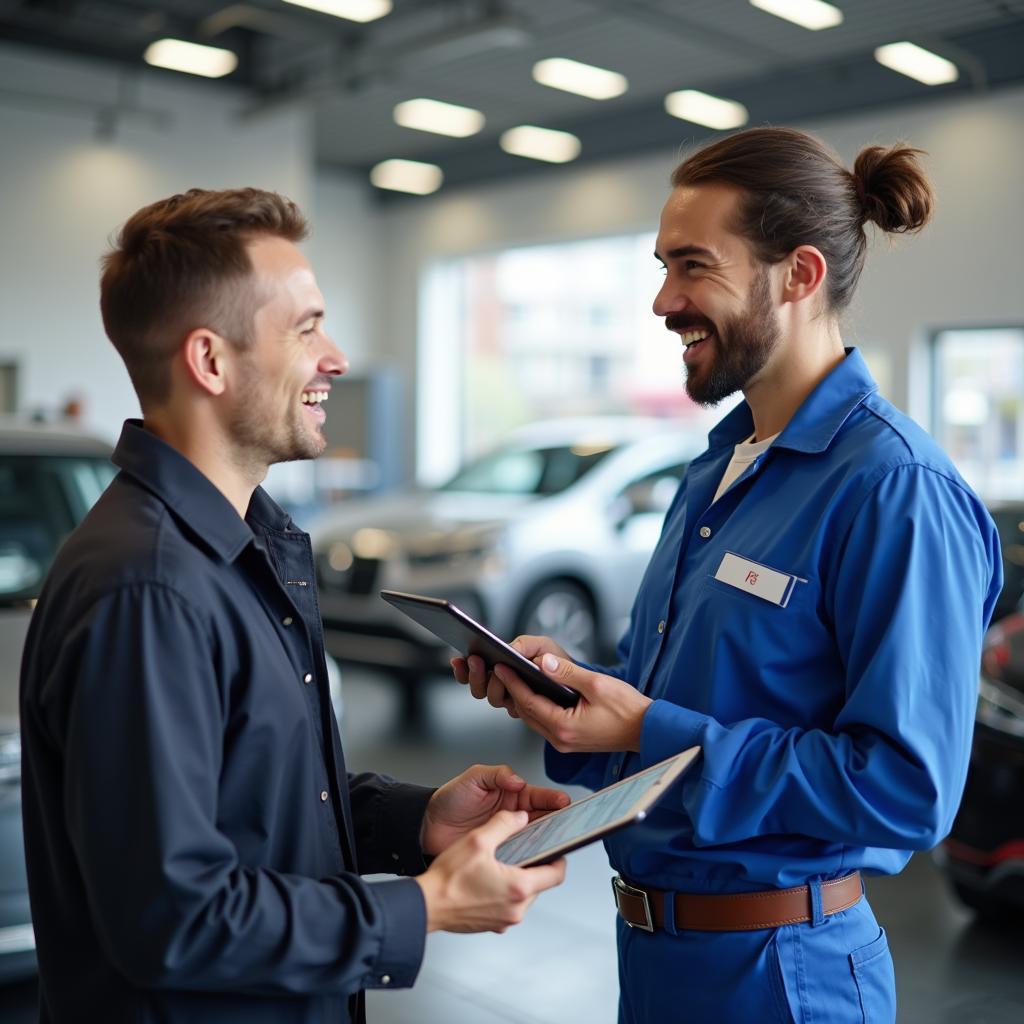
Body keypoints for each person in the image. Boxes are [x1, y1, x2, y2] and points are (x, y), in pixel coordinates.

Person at [454, 127, 1003, 1023]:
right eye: (662, 266)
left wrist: (656, 727)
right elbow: (664, 698)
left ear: (800, 275)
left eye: (692, 266)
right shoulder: (714, 470)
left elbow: (908, 790)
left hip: (784, 976)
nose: (664, 301)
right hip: (658, 960)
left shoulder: (895, 491)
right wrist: (570, 694)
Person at [19, 187, 568, 1024]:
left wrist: (418, 820)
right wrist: (424, 909)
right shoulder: (148, 588)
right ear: (210, 361)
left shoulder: (247, 547)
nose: (337, 357)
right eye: (307, 328)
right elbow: (173, 918)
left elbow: (256, 804)